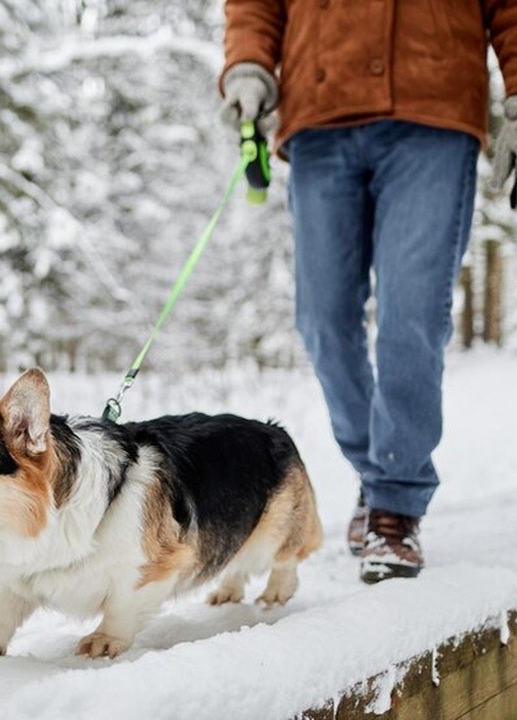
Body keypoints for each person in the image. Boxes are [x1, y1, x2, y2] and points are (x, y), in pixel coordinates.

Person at [218, 1, 517, 583]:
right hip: (320, 113)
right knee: (323, 321)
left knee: (412, 314)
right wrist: (249, 65)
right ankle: (380, 468)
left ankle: (394, 503)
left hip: (432, 105)